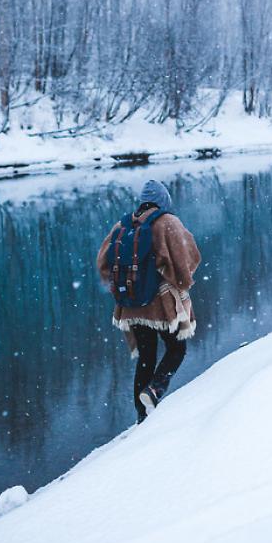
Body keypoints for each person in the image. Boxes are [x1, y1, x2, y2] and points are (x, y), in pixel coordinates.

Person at [96, 179, 201, 424]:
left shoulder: (122, 225)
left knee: (146, 356)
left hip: (130, 303)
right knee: (177, 348)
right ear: (164, 201)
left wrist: (126, 283)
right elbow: (189, 259)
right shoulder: (169, 223)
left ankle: (141, 417)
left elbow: (103, 264)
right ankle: (154, 390)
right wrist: (180, 282)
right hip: (159, 304)